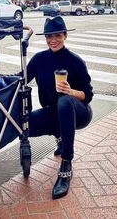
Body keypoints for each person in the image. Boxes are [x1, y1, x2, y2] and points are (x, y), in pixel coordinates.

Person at [27, 16, 93, 199]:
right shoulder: (39, 59)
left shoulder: (74, 61)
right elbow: (20, 78)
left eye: (57, 35)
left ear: (65, 36)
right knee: (25, 125)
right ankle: (60, 136)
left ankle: (66, 163)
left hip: (79, 112)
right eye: (49, 36)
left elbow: (88, 95)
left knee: (63, 101)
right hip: (54, 111)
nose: (53, 40)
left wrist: (71, 92)